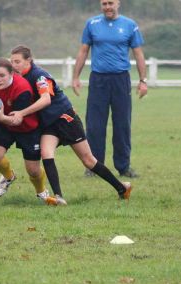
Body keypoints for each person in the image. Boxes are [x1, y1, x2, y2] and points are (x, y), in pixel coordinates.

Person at [8, 45, 132, 205]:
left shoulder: (40, 76)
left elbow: (45, 99)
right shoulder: (19, 79)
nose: (13, 65)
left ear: (29, 61)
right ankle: (58, 196)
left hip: (65, 119)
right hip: (49, 124)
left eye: (17, 61)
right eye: (12, 61)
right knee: (46, 153)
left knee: (88, 161)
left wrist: (21, 113)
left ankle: (122, 187)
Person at [72, 0, 148, 178]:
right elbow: (83, 51)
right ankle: (94, 167)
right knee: (95, 125)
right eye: (104, 3)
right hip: (98, 80)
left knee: (122, 124)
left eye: (110, 3)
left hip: (121, 80)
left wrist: (143, 81)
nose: (107, 7)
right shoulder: (92, 24)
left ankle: (124, 167)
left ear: (118, 3)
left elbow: (138, 53)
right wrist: (76, 77)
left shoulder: (130, 25)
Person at [0, 58, 49, 202]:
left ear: (11, 74)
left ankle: (41, 191)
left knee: (33, 171)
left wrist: (0, 117)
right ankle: (8, 176)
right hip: (4, 124)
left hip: (27, 128)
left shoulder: (22, 88)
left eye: (2, 76)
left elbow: (17, 120)